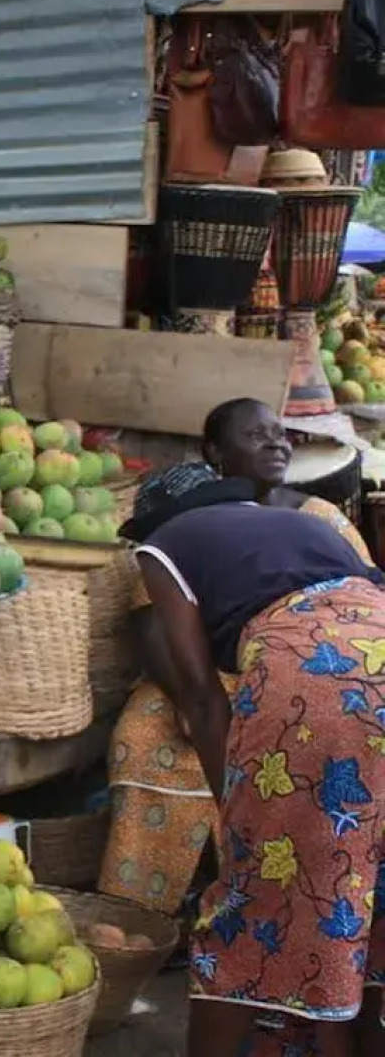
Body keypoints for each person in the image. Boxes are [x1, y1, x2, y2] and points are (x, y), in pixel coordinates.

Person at [125, 408, 385, 1056]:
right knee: (368, 886)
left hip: (315, 671)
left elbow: (200, 697)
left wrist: (233, 816)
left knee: (257, 892)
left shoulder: (163, 544)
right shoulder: (308, 523)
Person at [101, 400, 374, 920]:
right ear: (215, 454)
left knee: (286, 760)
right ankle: (147, 914)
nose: (275, 444)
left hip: (294, 667)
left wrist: (236, 815)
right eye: (255, 435)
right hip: (304, 661)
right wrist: (190, 697)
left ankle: (265, 904)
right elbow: (153, 627)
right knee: (143, 735)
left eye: (280, 434)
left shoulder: (316, 516)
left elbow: (347, 602)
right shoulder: (191, 530)